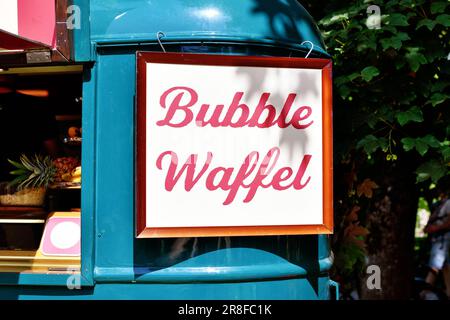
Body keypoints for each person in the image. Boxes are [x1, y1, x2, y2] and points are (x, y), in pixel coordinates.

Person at [0, 75, 59, 182]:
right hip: (31, 185)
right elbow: (54, 152)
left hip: (29, 183)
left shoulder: (37, 105)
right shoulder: (38, 106)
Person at [420, 180, 450, 300]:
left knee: (434, 266)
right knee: (446, 267)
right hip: (441, 238)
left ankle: (423, 292)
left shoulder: (448, 203)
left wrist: (435, 228)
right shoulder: (441, 203)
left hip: (443, 239)